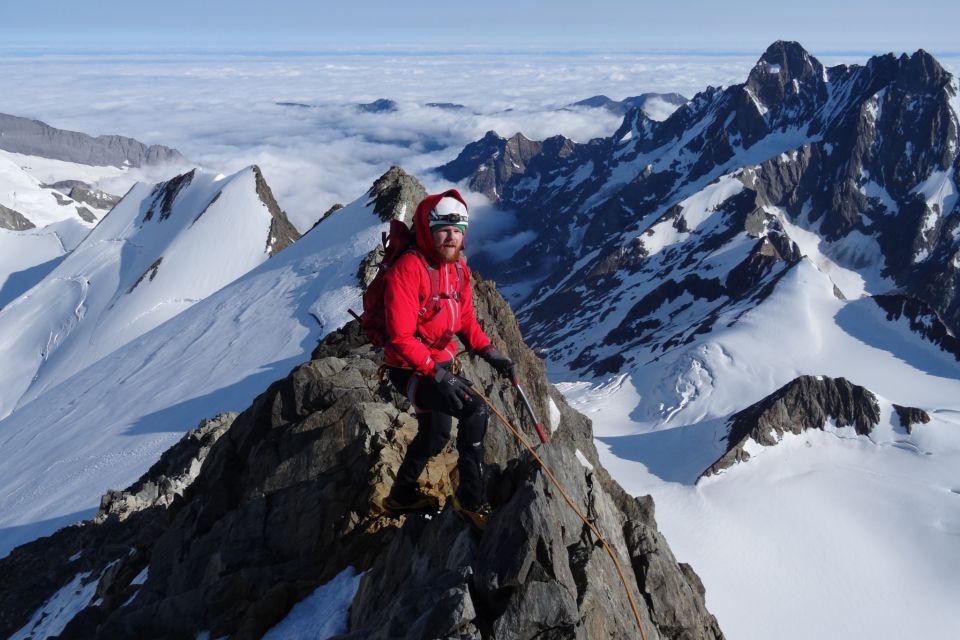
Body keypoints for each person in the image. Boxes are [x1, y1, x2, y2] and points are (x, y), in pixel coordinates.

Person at [382, 189, 515, 526]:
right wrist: (435, 373)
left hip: (436, 364)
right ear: (428, 229)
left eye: (458, 230)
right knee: (474, 410)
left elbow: (466, 319)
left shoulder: (457, 270)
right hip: (408, 366)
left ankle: (400, 497)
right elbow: (399, 337)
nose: (451, 237)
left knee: (435, 435)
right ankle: (472, 501)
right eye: (443, 229)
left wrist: (489, 352)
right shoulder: (409, 268)